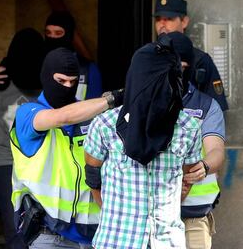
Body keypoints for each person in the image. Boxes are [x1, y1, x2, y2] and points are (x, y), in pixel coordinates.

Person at [83, 33, 202, 248]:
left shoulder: (188, 127)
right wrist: (116, 216)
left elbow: (189, 177)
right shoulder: (105, 124)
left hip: (166, 242)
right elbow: (93, 177)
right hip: (116, 241)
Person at [9, 47, 124, 248]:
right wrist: (111, 99)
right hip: (48, 233)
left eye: (73, 81)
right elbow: (62, 117)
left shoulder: (90, 112)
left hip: (93, 233)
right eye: (61, 81)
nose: (68, 87)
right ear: (46, 77)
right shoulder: (27, 113)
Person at [0, 28, 46, 249]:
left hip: (35, 162)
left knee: (37, 227)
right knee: (15, 227)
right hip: (5, 159)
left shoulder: (47, 80)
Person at [168, 32, 226, 249]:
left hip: (193, 215)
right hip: (150, 215)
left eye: (182, 67)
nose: (177, 73)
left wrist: (204, 165)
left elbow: (216, 150)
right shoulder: (142, 101)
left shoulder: (207, 105)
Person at [154, 0, 229, 111]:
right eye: (158, 19)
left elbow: (216, 107)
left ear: (184, 22)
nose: (162, 24)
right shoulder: (147, 57)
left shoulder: (200, 60)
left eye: (169, 18)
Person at [44, 11, 102, 100]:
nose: (52, 37)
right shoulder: (41, 64)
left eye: (58, 33)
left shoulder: (87, 69)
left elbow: (95, 102)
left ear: (68, 34)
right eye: (48, 32)